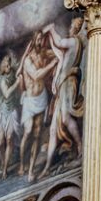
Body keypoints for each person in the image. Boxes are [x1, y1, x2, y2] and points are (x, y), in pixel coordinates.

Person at [41, 18, 85, 176]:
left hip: (68, 84)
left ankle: (80, 146)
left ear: (77, 27)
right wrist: (55, 81)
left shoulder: (74, 41)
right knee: (53, 129)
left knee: (66, 119)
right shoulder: (72, 46)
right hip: (62, 87)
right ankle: (47, 166)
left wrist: (51, 28)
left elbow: (59, 42)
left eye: (72, 25)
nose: (70, 28)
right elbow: (60, 54)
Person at [17, 31, 56, 182]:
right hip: (30, 100)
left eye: (42, 39)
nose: (40, 41)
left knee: (37, 133)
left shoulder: (44, 54)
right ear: (33, 41)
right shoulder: (28, 59)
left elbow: (57, 51)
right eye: (38, 39)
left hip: (41, 97)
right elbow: (36, 75)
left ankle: (31, 170)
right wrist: (52, 65)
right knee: (27, 131)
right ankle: (22, 164)